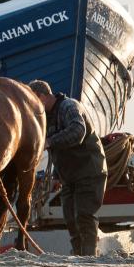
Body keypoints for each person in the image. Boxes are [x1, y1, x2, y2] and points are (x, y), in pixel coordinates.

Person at [29, 80, 107, 256]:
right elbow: (61, 150)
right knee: (70, 219)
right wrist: (57, 175)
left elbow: (77, 132)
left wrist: (49, 141)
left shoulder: (69, 106)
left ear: (41, 96)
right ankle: (79, 254)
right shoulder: (48, 117)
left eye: (33, 102)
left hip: (89, 171)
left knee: (85, 217)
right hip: (68, 175)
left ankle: (88, 257)